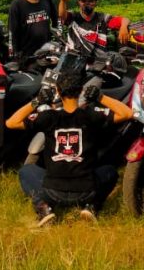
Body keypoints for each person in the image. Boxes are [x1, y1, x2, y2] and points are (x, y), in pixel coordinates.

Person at [8, 65, 133, 225]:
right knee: (110, 171)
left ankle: (43, 207)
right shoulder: (91, 115)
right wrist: (101, 97)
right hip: (86, 191)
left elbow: (11, 122)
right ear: (81, 90)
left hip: (52, 192)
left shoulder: (48, 117)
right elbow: (127, 113)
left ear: (58, 91)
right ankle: (91, 206)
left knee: (26, 171)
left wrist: (36, 101)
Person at [58, 0, 132, 53]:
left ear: (95, 2)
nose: (87, 3)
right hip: (74, 58)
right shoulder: (73, 17)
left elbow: (125, 19)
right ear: (79, 2)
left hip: (99, 60)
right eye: (84, 1)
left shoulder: (103, 18)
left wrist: (123, 27)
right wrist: (63, 1)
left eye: (91, 0)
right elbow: (62, 15)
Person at [8, 0, 58, 64]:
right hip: (27, 59)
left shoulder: (47, 0)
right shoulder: (17, 5)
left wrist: (57, 43)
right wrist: (14, 57)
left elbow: (57, 21)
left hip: (47, 56)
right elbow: (12, 33)